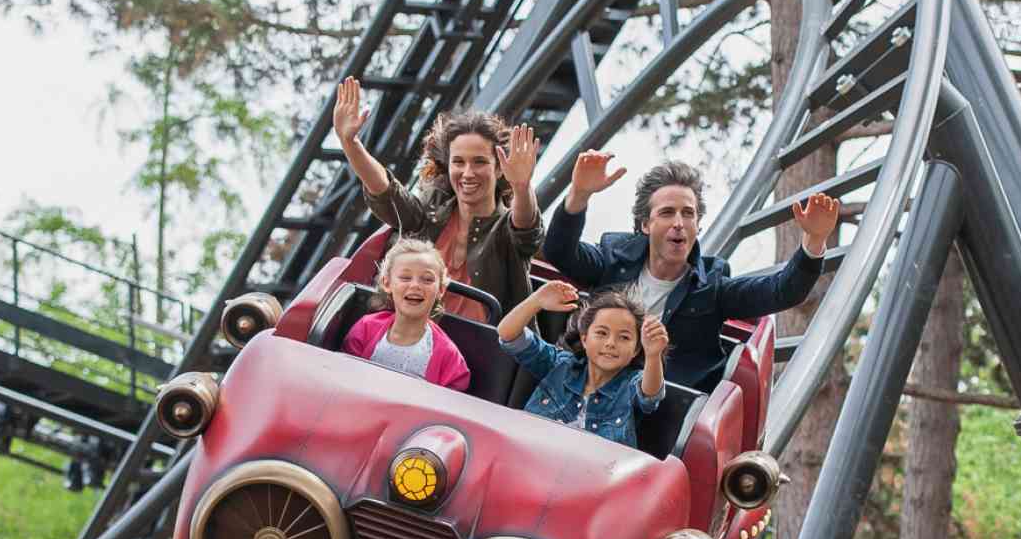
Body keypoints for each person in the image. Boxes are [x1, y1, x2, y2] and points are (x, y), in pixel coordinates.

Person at [542, 151, 839, 390]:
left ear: (698, 225)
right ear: (645, 224)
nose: (678, 223)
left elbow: (782, 290)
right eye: (667, 213)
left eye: (688, 214)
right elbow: (560, 251)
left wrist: (813, 242)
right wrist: (579, 195)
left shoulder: (712, 285)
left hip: (661, 411)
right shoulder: (613, 256)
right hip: (585, 385)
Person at [332, 77, 542, 321]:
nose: (467, 173)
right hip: (408, 331)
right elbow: (387, 192)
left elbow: (527, 229)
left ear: (498, 169)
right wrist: (350, 142)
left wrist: (521, 186)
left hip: (478, 349)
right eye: (458, 162)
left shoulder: (507, 228)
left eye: (480, 162)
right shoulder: (431, 211)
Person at [497, 280, 667, 448]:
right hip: (532, 456)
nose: (611, 343)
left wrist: (653, 355)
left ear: (636, 350)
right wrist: (536, 301)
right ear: (585, 339)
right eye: (602, 333)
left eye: (624, 337)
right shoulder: (560, 364)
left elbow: (650, 395)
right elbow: (508, 334)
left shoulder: (630, 385)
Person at [343, 238, 470, 391]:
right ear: (387, 283)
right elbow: (345, 378)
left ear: (441, 290)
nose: (415, 285)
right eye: (405, 277)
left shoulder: (449, 357)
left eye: (427, 279)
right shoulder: (366, 328)